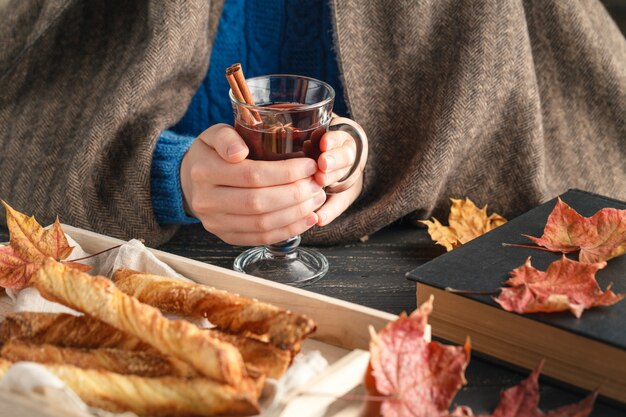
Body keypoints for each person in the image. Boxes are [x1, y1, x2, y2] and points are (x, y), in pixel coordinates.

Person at [0, 0, 624, 248]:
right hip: (142, 269)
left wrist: (358, 156)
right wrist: (172, 175)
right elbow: (33, 122)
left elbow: (499, 132)